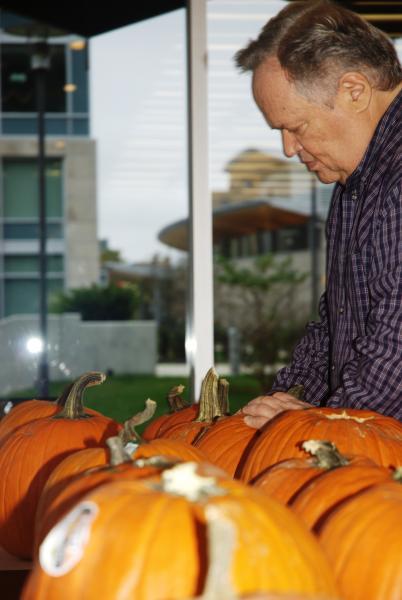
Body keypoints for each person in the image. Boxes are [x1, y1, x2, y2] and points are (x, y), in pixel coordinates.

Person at [234, 0, 402, 426]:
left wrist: (327, 422)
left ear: (354, 91)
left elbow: (396, 344)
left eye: (297, 127)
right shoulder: (357, 181)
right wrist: (282, 399)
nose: (289, 149)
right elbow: (338, 320)